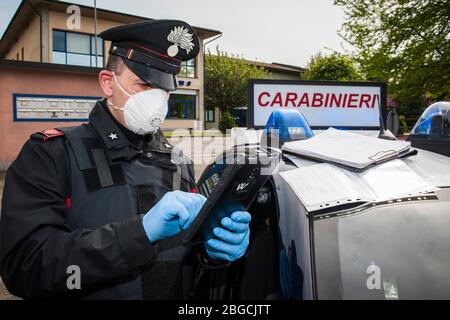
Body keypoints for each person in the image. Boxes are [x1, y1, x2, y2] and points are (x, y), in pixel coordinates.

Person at [0, 20, 251, 300]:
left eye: (163, 91)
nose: (156, 102)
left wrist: (212, 251)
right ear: (108, 83)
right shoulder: (51, 154)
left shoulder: (178, 161)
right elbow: (24, 267)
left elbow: (186, 259)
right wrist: (137, 234)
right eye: (144, 84)